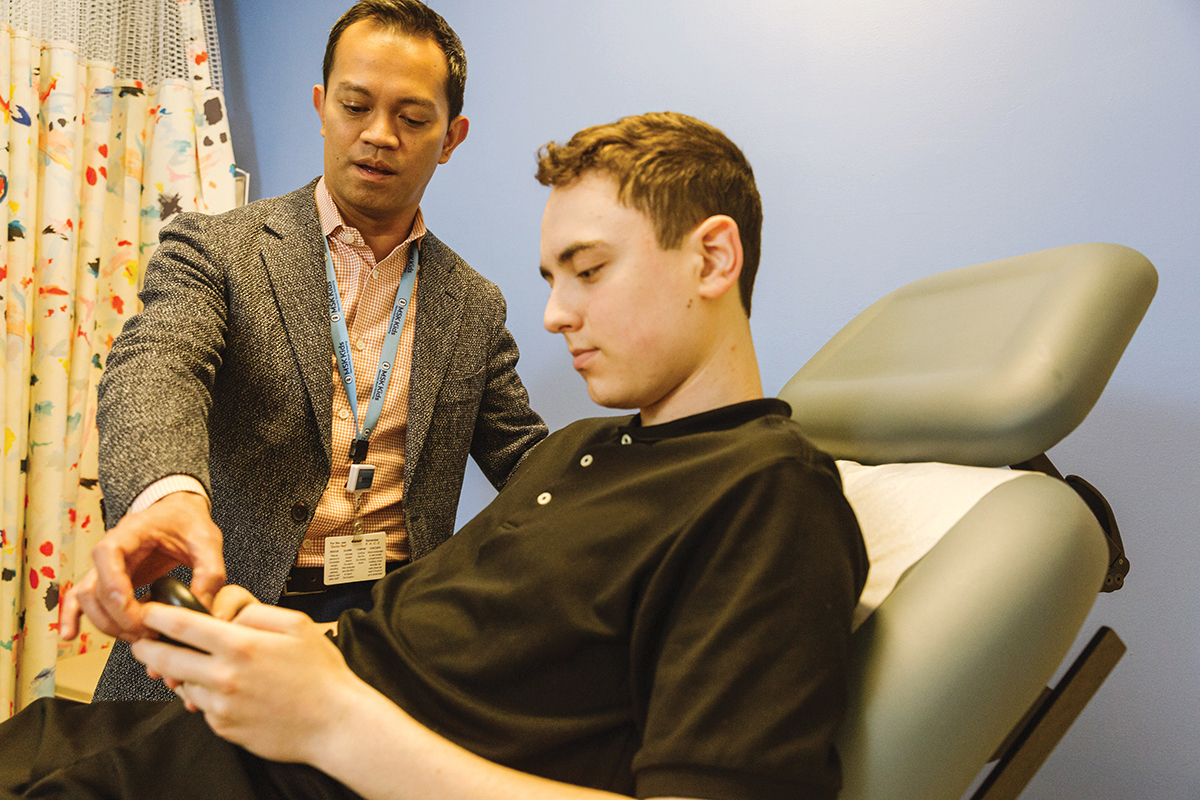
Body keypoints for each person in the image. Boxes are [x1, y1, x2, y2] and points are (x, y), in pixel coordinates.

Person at [7, 112, 868, 800]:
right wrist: (224, 628)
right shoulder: (582, 450)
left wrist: (329, 719)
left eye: (589, 270)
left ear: (713, 256)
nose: (555, 316)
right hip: (197, 731)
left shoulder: (767, 493)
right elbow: (157, 366)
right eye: (550, 280)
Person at [59, 0, 547, 702]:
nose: (379, 136)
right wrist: (166, 496)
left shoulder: (474, 303)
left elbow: (525, 459)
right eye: (355, 106)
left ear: (452, 137)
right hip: (228, 607)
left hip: (392, 634)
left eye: (412, 118)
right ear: (322, 107)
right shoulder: (215, 250)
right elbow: (156, 368)